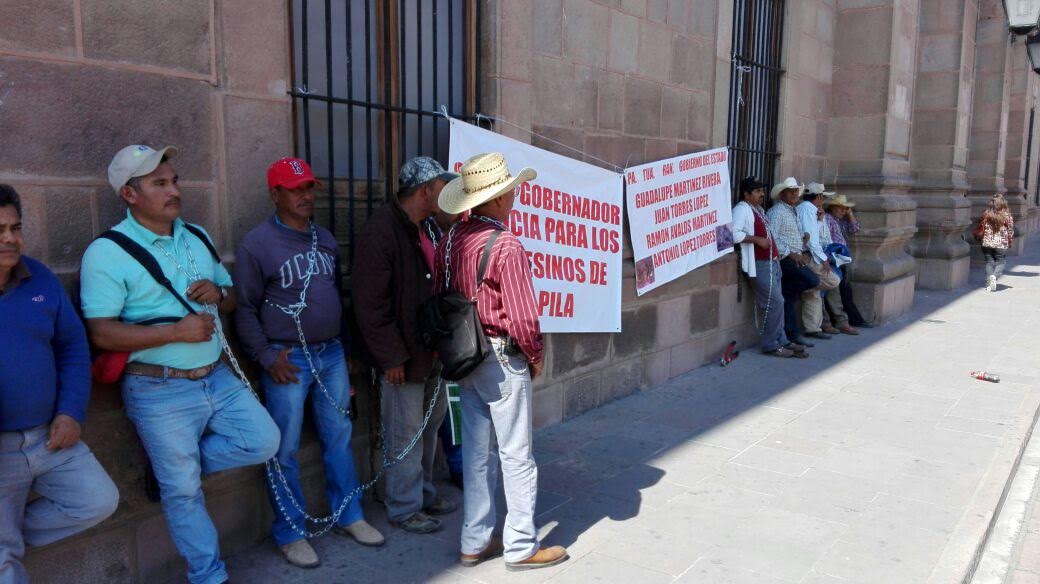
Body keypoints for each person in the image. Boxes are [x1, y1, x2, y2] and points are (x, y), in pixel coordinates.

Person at [80, 145, 280, 584]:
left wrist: (218, 293)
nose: (174, 191)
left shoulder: (197, 235)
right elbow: (101, 333)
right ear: (130, 195)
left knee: (265, 441)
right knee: (184, 494)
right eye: (159, 183)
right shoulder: (107, 253)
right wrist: (175, 332)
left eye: (174, 180)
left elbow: (230, 297)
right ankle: (208, 576)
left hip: (218, 377)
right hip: (158, 389)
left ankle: (175, 470)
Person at [234, 158, 384, 569]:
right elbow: (243, 309)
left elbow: (337, 292)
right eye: (295, 189)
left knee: (339, 433)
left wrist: (347, 347)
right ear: (275, 194)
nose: (306, 196)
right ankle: (291, 531)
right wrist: (265, 357)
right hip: (287, 358)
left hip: (331, 352)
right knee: (283, 447)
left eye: (309, 188)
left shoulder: (326, 239)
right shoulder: (257, 245)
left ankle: (349, 515)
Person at [436, 152, 569, 571]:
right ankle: (521, 546)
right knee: (516, 454)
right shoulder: (505, 245)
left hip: (465, 354)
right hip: (498, 353)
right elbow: (524, 317)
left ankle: (474, 540)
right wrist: (534, 358)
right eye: (509, 189)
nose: (513, 194)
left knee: (477, 453)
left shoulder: (452, 238)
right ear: (497, 198)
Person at [0, 185, 119, 584]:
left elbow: (72, 347)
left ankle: (7, 537)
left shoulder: (40, 279)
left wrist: (70, 412)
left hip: (49, 438)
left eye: (15, 228)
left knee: (98, 500)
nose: (10, 238)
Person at [352, 156, 457, 534]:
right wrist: (391, 356)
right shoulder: (382, 231)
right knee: (405, 433)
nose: (447, 192)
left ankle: (425, 494)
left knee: (430, 426)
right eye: (442, 186)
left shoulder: (426, 227)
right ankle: (404, 506)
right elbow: (369, 304)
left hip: (430, 351)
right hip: (403, 356)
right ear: (426, 190)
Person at [731, 177, 807, 358]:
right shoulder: (741, 209)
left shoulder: (757, 210)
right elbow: (732, 234)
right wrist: (756, 239)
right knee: (775, 302)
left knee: (777, 303)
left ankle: (781, 339)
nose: (762, 194)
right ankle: (771, 344)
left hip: (771, 262)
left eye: (762, 191)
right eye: (757, 191)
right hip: (760, 264)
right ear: (746, 194)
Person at [421, 210, 465, 488]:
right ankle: (457, 464)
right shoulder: (422, 230)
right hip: (433, 329)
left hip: (454, 328)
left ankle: (460, 464)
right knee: (442, 404)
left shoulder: (449, 232)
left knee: (454, 401)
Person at [766, 177, 819, 348]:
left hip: (793, 256)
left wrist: (803, 240)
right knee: (812, 280)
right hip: (784, 259)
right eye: (791, 191)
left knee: (789, 298)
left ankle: (792, 334)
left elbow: (786, 235)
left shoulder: (791, 210)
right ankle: (790, 334)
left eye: (796, 191)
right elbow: (772, 237)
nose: (795, 194)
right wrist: (791, 253)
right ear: (783, 194)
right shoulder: (777, 212)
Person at [794, 183, 842, 339]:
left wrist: (820, 220)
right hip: (810, 255)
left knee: (813, 294)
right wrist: (823, 259)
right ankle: (802, 286)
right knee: (832, 281)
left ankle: (813, 328)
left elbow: (812, 232)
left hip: (809, 253)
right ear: (819, 197)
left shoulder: (807, 209)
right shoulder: (808, 209)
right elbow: (811, 238)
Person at [822, 194, 871, 327]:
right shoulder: (828, 218)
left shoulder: (839, 220)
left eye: (845, 208)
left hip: (841, 259)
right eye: (840, 208)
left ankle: (850, 319)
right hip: (833, 258)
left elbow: (854, 229)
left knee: (843, 289)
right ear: (832, 207)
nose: (843, 210)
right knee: (840, 289)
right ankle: (849, 320)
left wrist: (849, 213)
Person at [979, 193, 1015, 292]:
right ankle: (994, 277)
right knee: (1001, 262)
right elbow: (1011, 230)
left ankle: (988, 286)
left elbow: (981, 226)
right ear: (1003, 203)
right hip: (1001, 244)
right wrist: (1010, 240)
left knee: (989, 263)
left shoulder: (986, 214)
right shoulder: (1007, 216)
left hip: (986, 243)